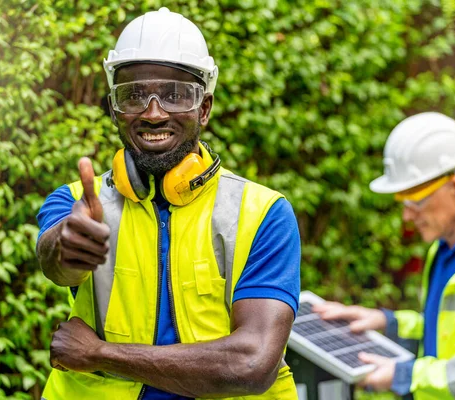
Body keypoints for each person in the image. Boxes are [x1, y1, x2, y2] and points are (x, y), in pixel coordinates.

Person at [35, 8, 300, 400]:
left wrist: (99, 354)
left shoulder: (263, 214)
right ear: (113, 109)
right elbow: (55, 262)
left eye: (176, 95)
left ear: (204, 108)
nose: (154, 112)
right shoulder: (75, 202)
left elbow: (251, 365)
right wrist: (69, 246)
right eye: (134, 95)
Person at [314, 112, 455, 399]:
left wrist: (406, 375)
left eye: (416, 201)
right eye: (403, 202)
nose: (407, 215)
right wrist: (388, 323)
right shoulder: (445, 247)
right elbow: (450, 330)